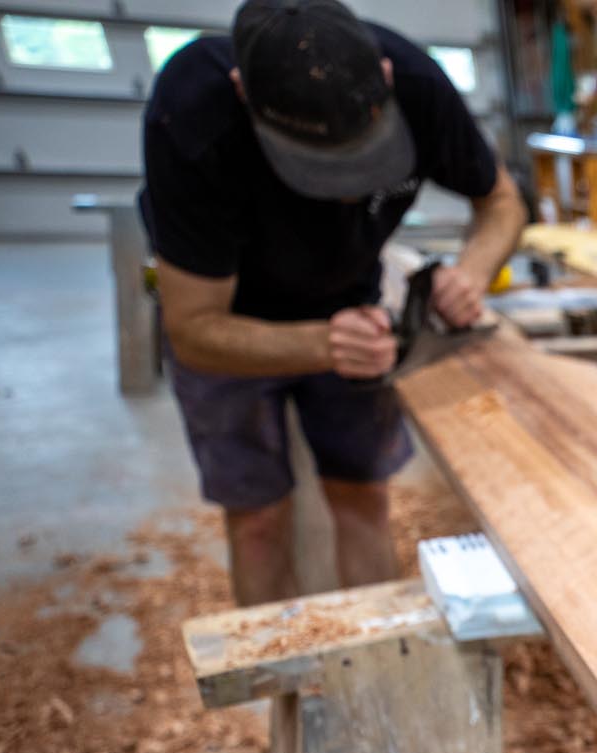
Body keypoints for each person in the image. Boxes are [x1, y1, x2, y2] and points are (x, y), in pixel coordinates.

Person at [141, 0, 525, 605]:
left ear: (385, 77)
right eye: (321, 171)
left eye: (366, 163)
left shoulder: (419, 82)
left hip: (354, 303)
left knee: (362, 495)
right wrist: (320, 342)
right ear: (245, 94)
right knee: (259, 518)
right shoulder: (191, 116)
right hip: (234, 320)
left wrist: (473, 272)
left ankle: (375, 673)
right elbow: (193, 328)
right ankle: (286, 681)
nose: (349, 196)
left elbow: (501, 202)